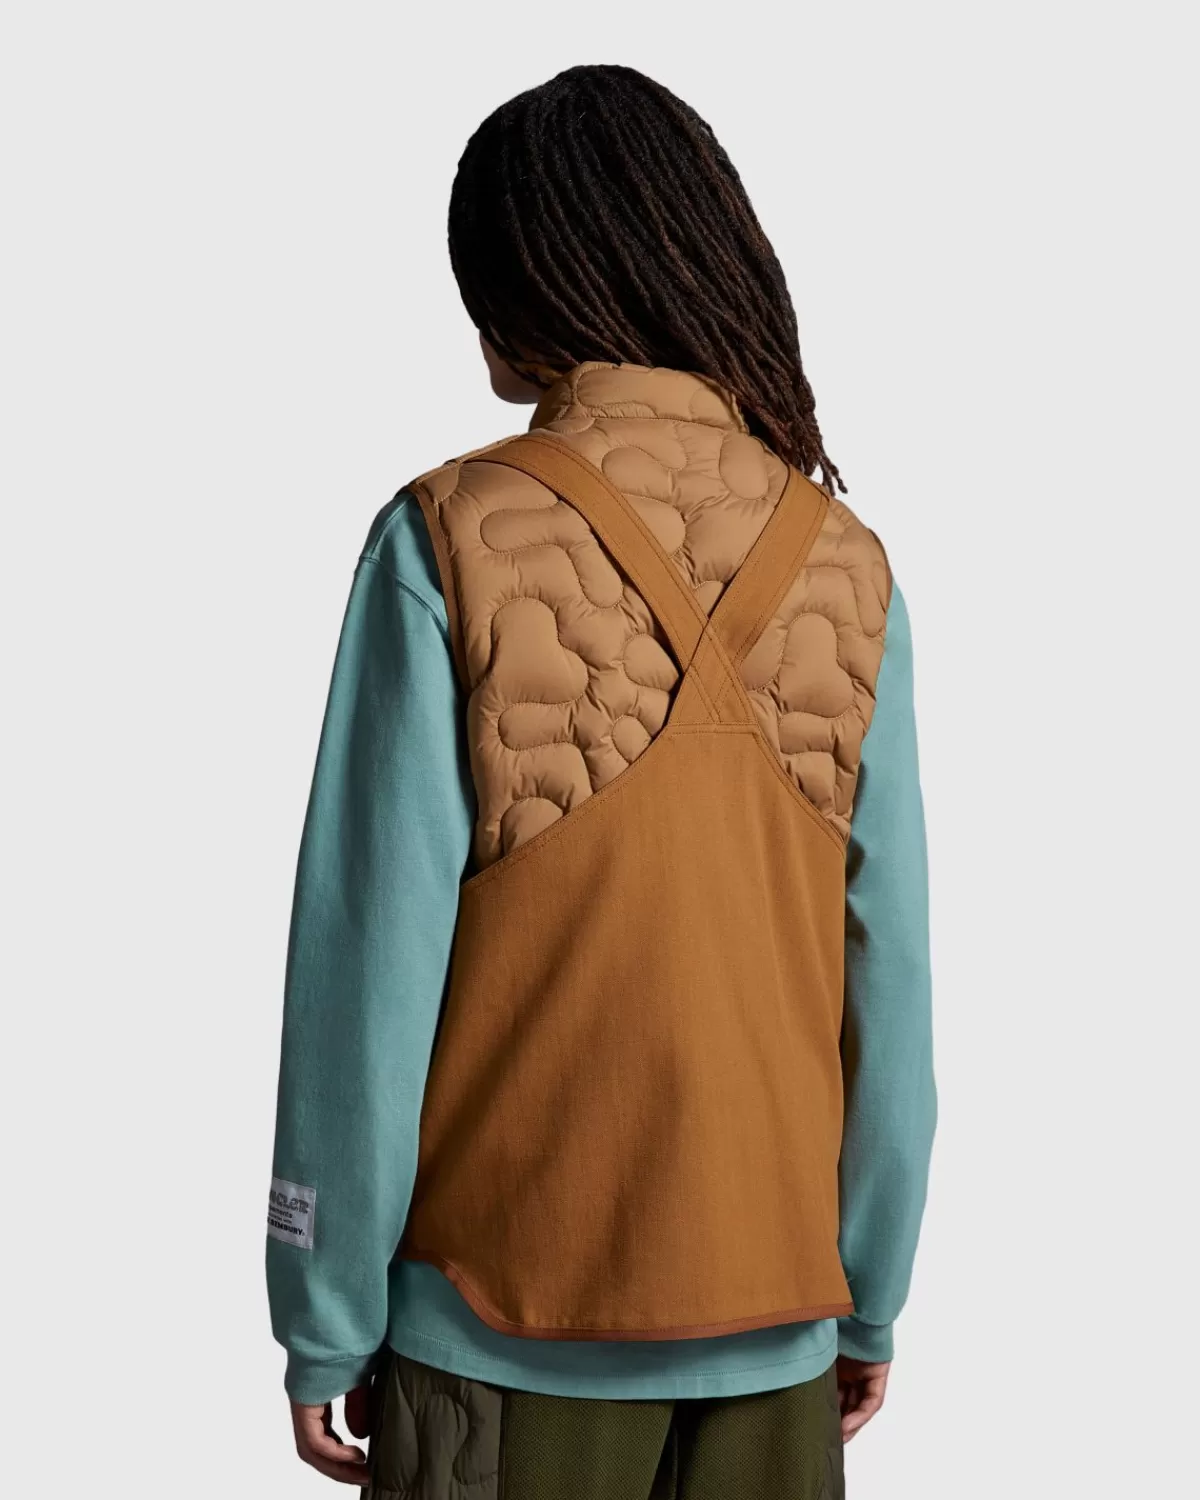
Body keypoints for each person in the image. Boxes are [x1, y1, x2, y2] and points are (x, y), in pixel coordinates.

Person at [267, 63, 935, 1499]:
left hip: (500, 1333)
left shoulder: (446, 532)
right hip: (780, 1333)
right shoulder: (845, 564)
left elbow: (364, 975)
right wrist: (868, 1291)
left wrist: (323, 1314)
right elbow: (889, 979)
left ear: (527, 287)